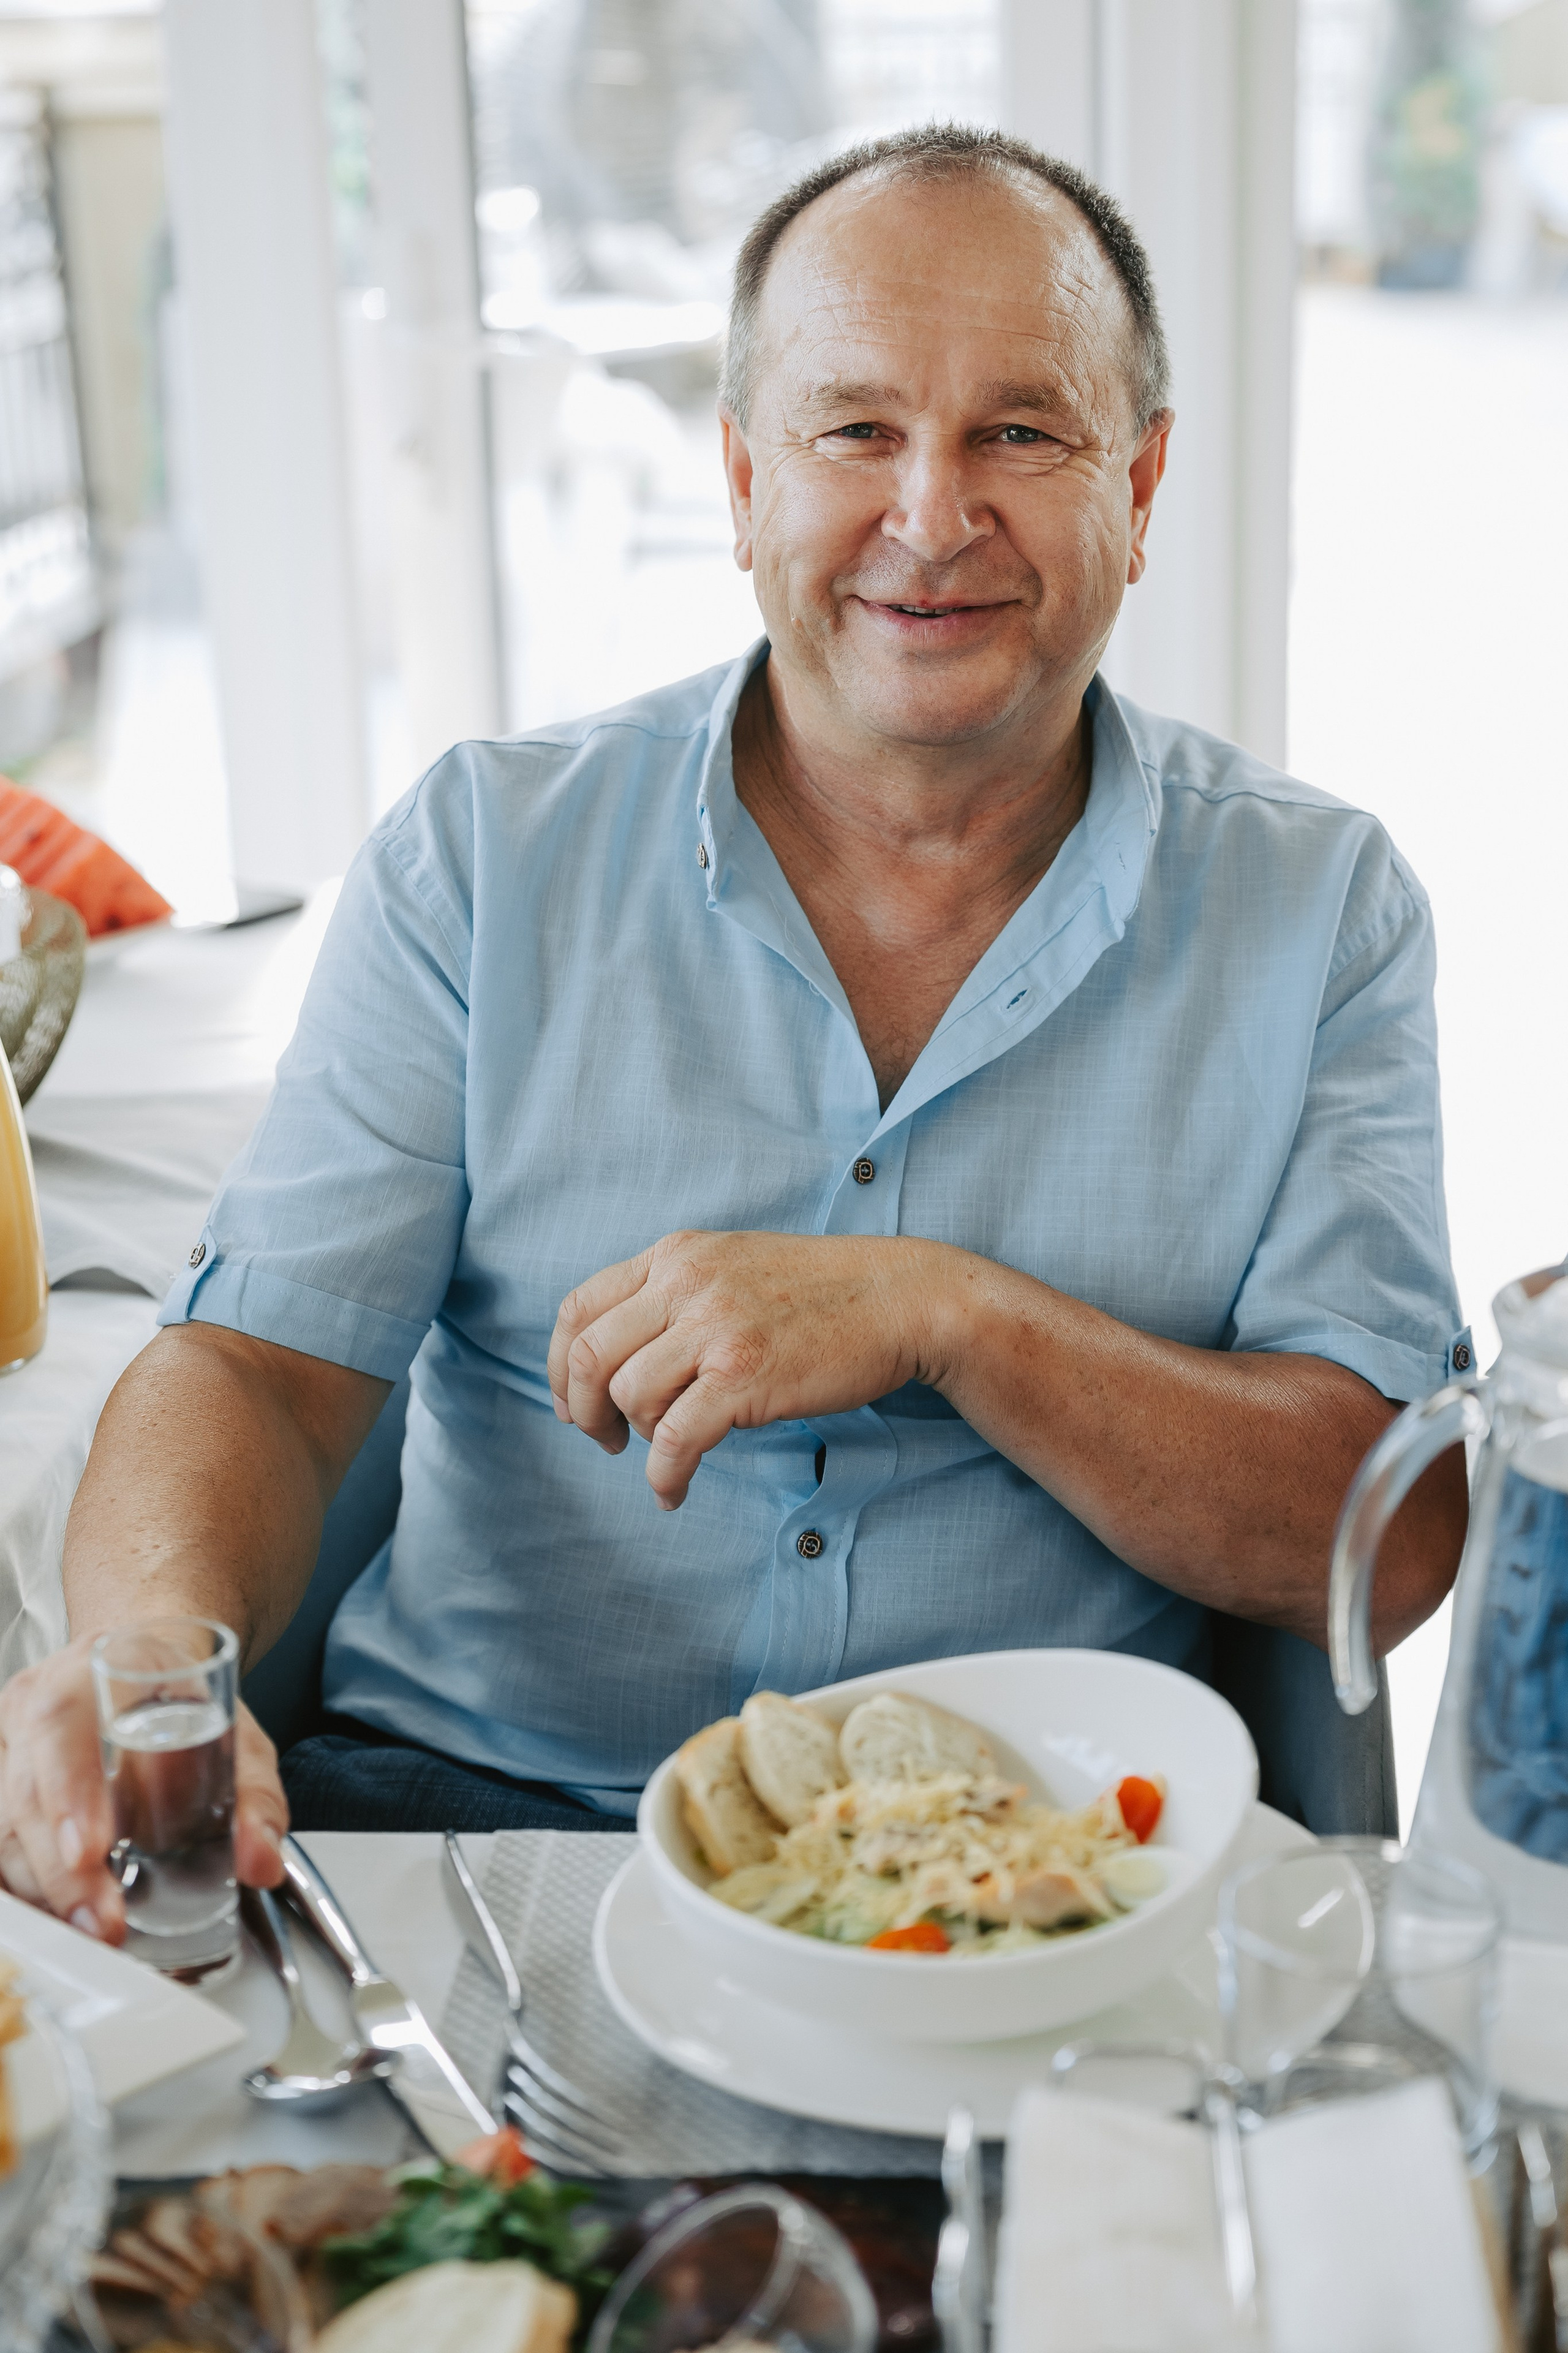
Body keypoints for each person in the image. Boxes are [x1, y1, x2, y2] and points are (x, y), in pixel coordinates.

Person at [0, 126, 1469, 1939]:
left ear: (1144, 484)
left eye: (1022, 431)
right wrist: (146, 1648)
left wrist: (949, 1315)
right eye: (856, 431)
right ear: (742, 475)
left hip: (1030, 1878)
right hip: (474, 1844)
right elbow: (254, 1373)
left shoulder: (1323, 909)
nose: (932, 516)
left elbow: (1387, 1540)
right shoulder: (486, 857)